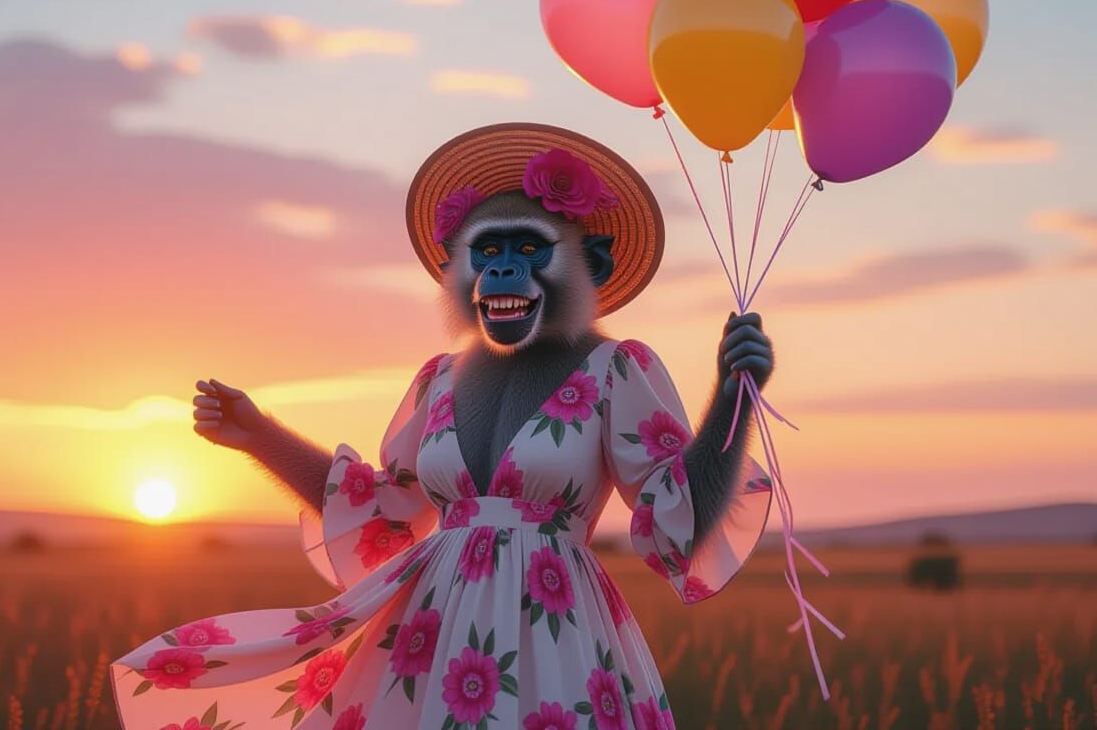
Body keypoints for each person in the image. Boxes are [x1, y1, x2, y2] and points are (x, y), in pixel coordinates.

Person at [111, 123, 775, 729]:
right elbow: (382, 514)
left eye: (528, 249)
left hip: (554, 635)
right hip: (429, 634)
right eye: (487, 250)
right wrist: (260, 435)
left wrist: (732, 400)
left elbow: (674, 519)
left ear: (590, 265)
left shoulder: (615, 368)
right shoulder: (438, 379)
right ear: (455, 269)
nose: (504, 269)